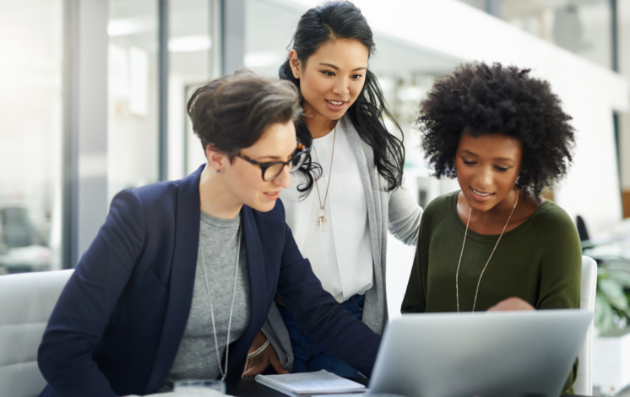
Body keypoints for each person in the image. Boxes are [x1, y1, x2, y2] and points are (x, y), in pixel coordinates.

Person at [36, 71, 383, 397]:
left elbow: (318, 313)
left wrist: (397, 365)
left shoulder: (267, 220)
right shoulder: (144, 215)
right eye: (269, 164)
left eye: (290, 158)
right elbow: (62, 349)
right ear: (216, 155)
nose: (285, 179)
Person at [243, 1, 422, 378]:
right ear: (296, 63)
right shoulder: (261, 140)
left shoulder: (374, 144)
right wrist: (257, 334)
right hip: (278, 327)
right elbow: (234, 242)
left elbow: (412, 226)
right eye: (328, 72)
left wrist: (485, 215)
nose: (343, 89)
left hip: (354, 324)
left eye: (357, 75)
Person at [401, 62, 581, 393]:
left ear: (525, 165)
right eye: (469, 161)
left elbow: (562, 369)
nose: (482, 180)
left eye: (501, 167)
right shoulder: (437, 215)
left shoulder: (553, 231)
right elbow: (413, 317)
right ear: (449, 151)